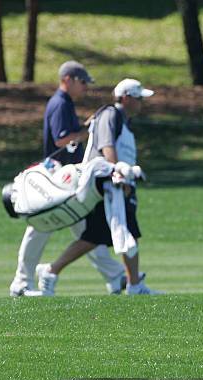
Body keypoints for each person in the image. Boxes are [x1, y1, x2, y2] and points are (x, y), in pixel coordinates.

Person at [9, 61, 126, 297]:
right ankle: (21, 283)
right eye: (83, 82)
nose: (85, 88)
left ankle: (115, 276)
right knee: (41, 225)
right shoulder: (60, 103)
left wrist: (86, 126)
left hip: (65, 178)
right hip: (58, 178)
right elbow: (63, 140)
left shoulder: (65, 103)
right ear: (68, 79)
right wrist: (89, 130)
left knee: (85, 230)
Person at [35, 78, 161, 296]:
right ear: (125, 98)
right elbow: (106, 145)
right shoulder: (110, 114)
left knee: (95, 237)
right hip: (109, 183)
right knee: (122, 230)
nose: (141, 102)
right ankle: (133, 286)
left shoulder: (123, 120)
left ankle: (52, 270)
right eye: (138, 98)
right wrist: (118, 175)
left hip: (114, 182)